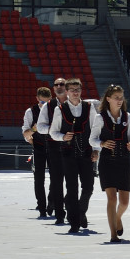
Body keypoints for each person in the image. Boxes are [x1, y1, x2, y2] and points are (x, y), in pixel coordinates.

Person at [89, 84, 130, 242]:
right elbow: (92, 139)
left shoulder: (127, 116)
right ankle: (113, 234)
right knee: (112, 199)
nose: (119, 100)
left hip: (123, 159)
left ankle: (117, 218)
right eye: (116, 97)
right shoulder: (100, 117)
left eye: (121, 97)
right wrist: (101, 144)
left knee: (124, 202)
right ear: (108, 99)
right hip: (107, 161)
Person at [48, 78, 97, 234]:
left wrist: (97, 149)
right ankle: (74, 222)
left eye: (78, 89)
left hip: (87, 152)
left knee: (88, 186)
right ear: (67, 92)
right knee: (72, 187)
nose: (75, 92)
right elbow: (53, 132)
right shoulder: (59, 109)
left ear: (81, 91)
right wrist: (62, 137)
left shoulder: (89, 107)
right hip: (68, 153)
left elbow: (96, 130)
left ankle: (81, 211)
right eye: (72, 90)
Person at [36, 78, 69, 225]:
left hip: (73, 146)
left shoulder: (76, 103)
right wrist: (54, 131)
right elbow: (40, 127)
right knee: (56, 180)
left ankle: (72, 207)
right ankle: (59, 212)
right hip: (54, 146)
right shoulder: (48, 106)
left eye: (62, 84)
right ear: (53, 88)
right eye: (57, 84)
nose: (60, 86)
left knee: (73, 180)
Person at [22, 86, 53, 218]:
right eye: (42, 102)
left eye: (47, 102)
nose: (44, 105)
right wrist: (33, 130)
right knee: (38, 179)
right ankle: (41, 207)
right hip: (39, 147)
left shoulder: (56, 110)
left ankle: (51, 203)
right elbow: (25, 133)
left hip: (54, 147)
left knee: (56, 178)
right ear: (37, 99)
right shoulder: (30, 112)